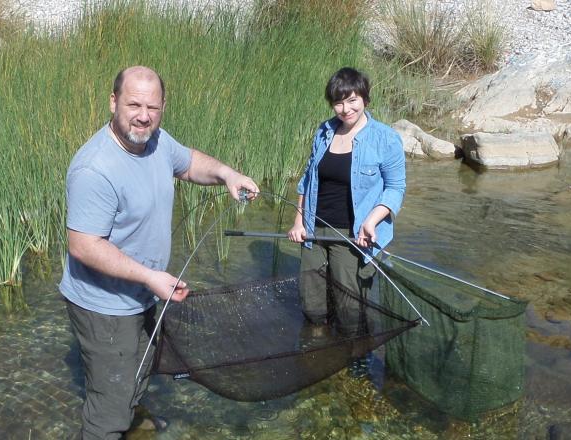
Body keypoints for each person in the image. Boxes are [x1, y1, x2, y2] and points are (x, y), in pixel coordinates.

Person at [61, 65, 259, 440]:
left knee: (140, 371)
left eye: (152, 107)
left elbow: (188, 163)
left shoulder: (155, 141)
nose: (143, 115)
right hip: (104, 306)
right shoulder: (94, 168)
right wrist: (151, 276)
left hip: (144, 292)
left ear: (163, 106)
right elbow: (83, 245)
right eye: (134, 104)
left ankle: (130, 421)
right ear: (113, 101)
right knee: (109, 404)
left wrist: (227, 175)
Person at [287, 67, 406, 338]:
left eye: (352, 100)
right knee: (312, 302)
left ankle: (354, 363)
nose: (345, 109)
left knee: (350, 308)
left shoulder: (385, 138)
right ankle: (317, 346)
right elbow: (308, 179)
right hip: (313, 230)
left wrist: (372, 221)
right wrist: (298, 221)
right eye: (338, 102)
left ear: (364, 98)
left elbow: (396, 188)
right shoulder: (325, 131)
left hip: (354, 235)